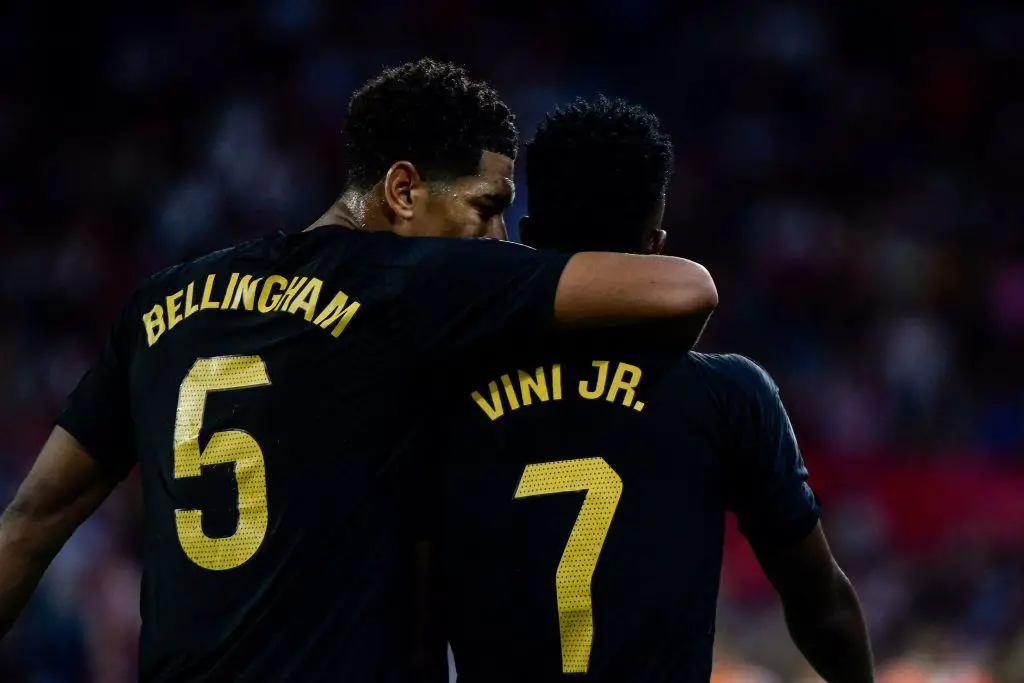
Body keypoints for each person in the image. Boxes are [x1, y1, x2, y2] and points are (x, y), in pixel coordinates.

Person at [0, 65, 718, 682]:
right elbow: (683, 292)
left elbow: (30, 522)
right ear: (403, 191)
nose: (500, 237)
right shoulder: (405, 287)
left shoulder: (160, 302)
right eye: (488, 207)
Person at [433, 97, 873, 682]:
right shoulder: (730, 395)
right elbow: (824, 610)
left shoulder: (445, 388)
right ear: (655, 244)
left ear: (530, 237)